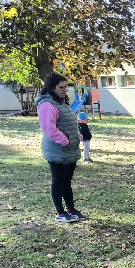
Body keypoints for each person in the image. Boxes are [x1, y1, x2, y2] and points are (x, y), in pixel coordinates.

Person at [36, 72, 87, 223]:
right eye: (61, 87)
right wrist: (65, 141)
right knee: (58, 183)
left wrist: (77, 136)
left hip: (69, 151)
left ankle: (71, 209)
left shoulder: (62, 102)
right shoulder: (47, 105)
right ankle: (60, 212)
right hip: (57, 151)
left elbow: (67, 123)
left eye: (66, 87)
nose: (65, 90)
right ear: (52, 88)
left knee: (67, 182)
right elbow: (49, 129)